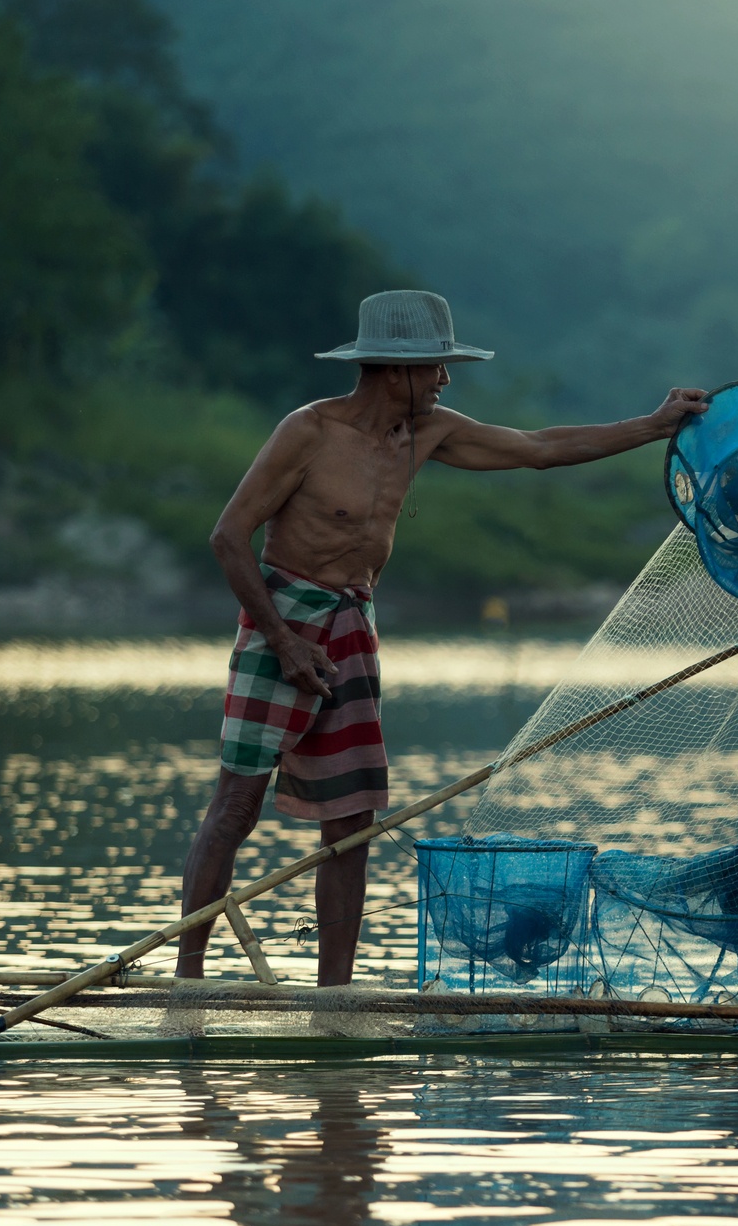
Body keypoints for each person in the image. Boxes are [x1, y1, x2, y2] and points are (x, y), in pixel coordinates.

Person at [178, 290, 706, 987]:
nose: (445, 381)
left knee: (351, 824)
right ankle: (184, 981)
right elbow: (228, 537)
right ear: (396, 370)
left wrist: (653, 425)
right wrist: (281, 640)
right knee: (235, 806)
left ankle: (333, 999)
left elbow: (539, 448)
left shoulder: (426, 432)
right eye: (436, 368)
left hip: (350, 627)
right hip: (280, 624)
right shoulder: (307, 432)